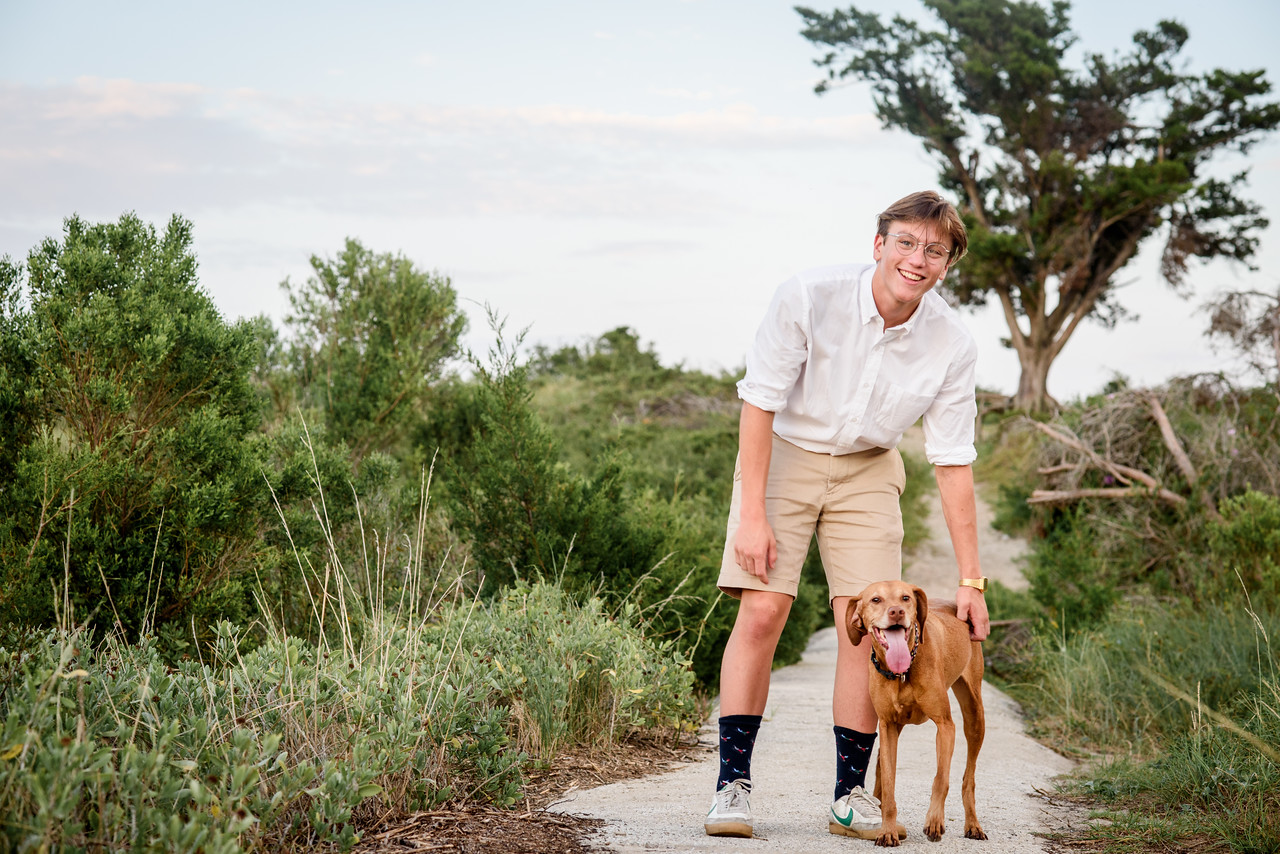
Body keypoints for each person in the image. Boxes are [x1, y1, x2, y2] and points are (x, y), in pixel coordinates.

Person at [704, 190, 992, 841]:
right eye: (907, 243)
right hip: (786, 454)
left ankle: (850, 796)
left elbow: (952, 461)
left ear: (948, 263)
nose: (918, 260)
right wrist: (752, 514)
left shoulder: (952, 341)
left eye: (935, 250)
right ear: (879, 245)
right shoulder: (810, 295)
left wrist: (971, 580)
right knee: (763, 608)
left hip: (868, 466)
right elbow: (758, 402)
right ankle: (732, 787)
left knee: (864, 624)